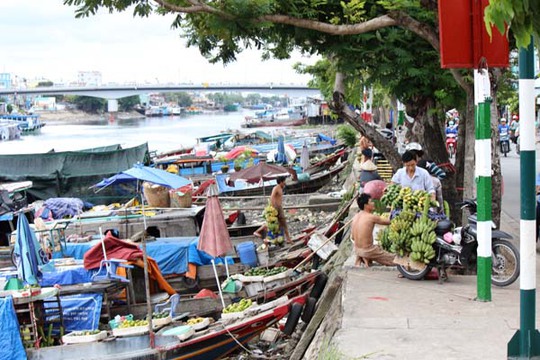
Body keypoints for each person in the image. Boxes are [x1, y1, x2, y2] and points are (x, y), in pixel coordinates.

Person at [351, 193, 394, 267]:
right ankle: (367, 256)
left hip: (357, 250)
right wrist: (393, 211)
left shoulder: (355, 216)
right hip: (368, 250)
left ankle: (363, 257)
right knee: (394, 260)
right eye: (371, 201)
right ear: (366, 205)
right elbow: (390, 222)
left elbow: (352, 238)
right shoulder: (371, 217)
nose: (374, 203)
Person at [270, 176, 292, 243]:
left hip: (279, 207)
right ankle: (276, 239)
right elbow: (272, 197)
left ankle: (287, 239)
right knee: (276, 225)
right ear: (281, 182)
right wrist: (273, 207)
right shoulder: (276, 188)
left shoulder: (281, 188)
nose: (285, 182)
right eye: (284, 181)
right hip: (276, 207)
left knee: (283, 223)